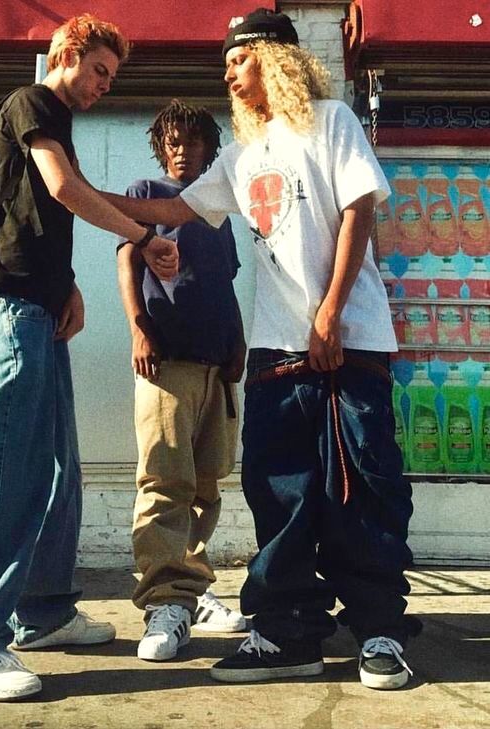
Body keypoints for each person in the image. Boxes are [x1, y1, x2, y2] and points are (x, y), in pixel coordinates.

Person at [103, 8, 420, 690]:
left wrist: (331, 312)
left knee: (361, 490)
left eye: (236, 61)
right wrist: (77, 191)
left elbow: (360, 209)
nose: (226, 75)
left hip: (350, 342)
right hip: (277, 351)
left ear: (274, 58)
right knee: (279, 496)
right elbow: (176, 210)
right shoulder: (242, 154)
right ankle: (285, 633)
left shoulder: (330, 122)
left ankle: (378, 631)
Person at [0, 14, 178, 703]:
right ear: (67, 53)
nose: (103, 85)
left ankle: (42, 611)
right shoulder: (34, 101)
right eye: (99, 69)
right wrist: (143, 238)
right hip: (11, 308)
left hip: (39, 305)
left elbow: (39, 215)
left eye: (110, 76)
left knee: (59, 465)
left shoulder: (55, 118)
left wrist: (67, 284)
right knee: (7, 462)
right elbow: (67, 189)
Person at [117, 99, 247, 662]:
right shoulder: (146, 192)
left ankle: (192, 590)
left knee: (207, 485)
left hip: (217, 364)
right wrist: (139, 328)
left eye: (192, 140)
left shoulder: (214, 210)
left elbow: (226, 284)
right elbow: (128, 259)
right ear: (159, 146)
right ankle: (164, 604)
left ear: (208, 148)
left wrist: (240, 341)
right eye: (171, 139)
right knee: (164, 481)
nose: (180, 148)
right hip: (166, 361)